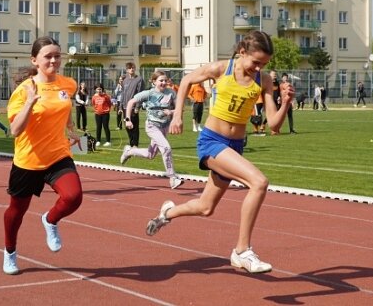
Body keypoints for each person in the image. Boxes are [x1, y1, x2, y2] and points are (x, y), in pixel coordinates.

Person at [145, 30, 294, 274]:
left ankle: (166, 213)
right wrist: (178, 116)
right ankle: (242, 251)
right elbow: (185, 81)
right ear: (242, 52)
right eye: (256, 62)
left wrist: (285, 101)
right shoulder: (220, 69)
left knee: (206, 207)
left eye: (264, 64)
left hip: (235, 146)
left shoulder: (264, 80)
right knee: (259, 182)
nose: (259, 68)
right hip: (212, 141)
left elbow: (274, 125)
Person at [1, 37, 82, 275]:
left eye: (57, 55)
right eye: (48, 56)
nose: (54, 60)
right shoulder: (23, 91)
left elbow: (65, 107)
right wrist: (29, 102)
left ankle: (50, 219)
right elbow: (15, 131)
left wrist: (71, 129)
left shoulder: (68, 84)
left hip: (58, 154)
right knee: (16, 212)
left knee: (74, 196)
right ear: (35, 60)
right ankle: (10, 252)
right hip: (28, 160)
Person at [121, 71, 183, 189]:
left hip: (164, 127)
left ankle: (129, 151)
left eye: (165, 80)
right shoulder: (148, 93)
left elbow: (180, 108)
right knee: (166, 148)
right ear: (154, 82)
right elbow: (130, 103)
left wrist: (171, 112)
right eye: (161, 80)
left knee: (151, 154)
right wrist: (127, 119)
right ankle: (172, 178)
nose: (164, 83)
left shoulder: (171, 93)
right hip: (152, 126)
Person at [121, 62, 145, 147]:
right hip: (125, 107)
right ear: (127, 70)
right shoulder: (124, 80)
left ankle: (135, 144)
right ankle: (131, 142)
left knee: (134, 126)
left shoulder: (139, 79)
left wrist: (138, 106)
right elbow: (123, 93)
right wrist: (120, 106)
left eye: (133, 68)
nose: (132, 69)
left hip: (133, 107)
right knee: (127, 125)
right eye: (130, 68)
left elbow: (141, 93)